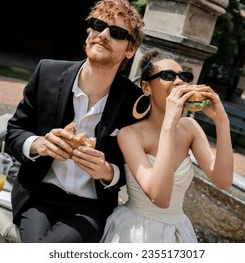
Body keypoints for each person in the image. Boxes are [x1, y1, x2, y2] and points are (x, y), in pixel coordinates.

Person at [5, 0, 145, 243]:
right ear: (89, 31)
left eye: (117, 32)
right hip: (38, 195)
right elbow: (15, 130)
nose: (103, 34)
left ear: (130, 49)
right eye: (98, 25)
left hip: (90, 207)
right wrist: (38, 144)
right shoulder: (47, 72)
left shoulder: (136, 102)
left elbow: (135, 170)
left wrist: (106, 171)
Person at [100, 48, 234, 243]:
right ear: (146, 88)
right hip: (136, 233)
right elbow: (160, 198)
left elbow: (223, 180)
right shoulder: (130, 135)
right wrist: (169, 124)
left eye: (185, 77)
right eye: (168, 76)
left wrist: (222, 121)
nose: (179, 82)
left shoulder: (190, 128)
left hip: (178, 232)